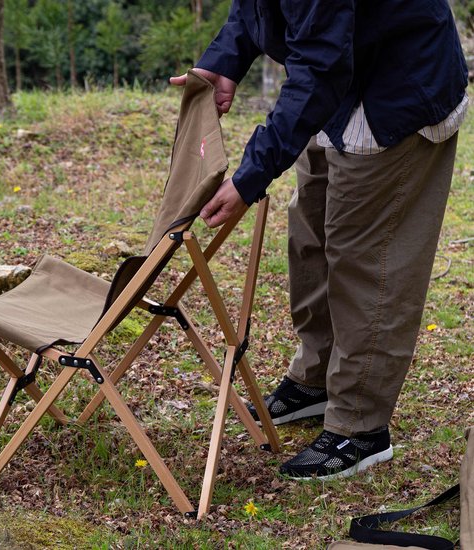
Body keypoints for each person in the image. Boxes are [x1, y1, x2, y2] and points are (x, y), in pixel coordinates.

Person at [171, 0, 468, 480]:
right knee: (310, 234)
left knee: (365, 259)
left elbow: (321, 67)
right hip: (337, 83)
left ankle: (360, 424)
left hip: (395, 89)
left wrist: (251, 177)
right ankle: (317, 379)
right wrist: (224, 60)